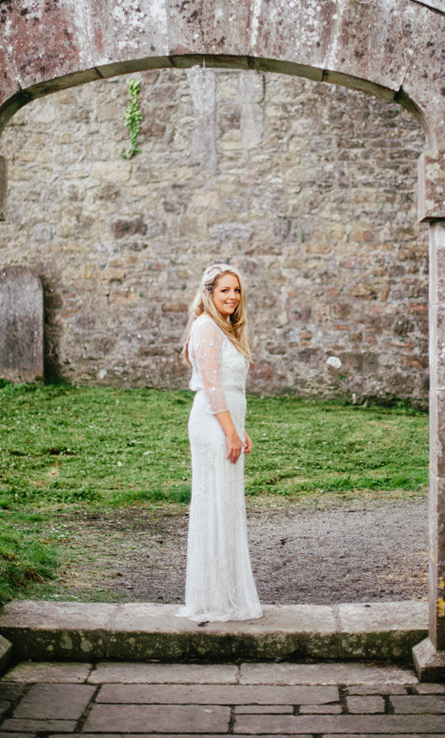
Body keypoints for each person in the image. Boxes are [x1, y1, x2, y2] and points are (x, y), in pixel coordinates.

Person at [176, 264, 262, 622]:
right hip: (212, 424)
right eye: (224, 290)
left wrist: (240, 429)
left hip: (225, 420)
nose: (232, 296)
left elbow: (228, 387)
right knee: (215, 504)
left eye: (236, 290)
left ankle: (225, 593)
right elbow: (211, 386)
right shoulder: (207, 326)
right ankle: (211, 598)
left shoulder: (224, 328)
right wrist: (229, 431)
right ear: (209, 293)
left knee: (226, 506)